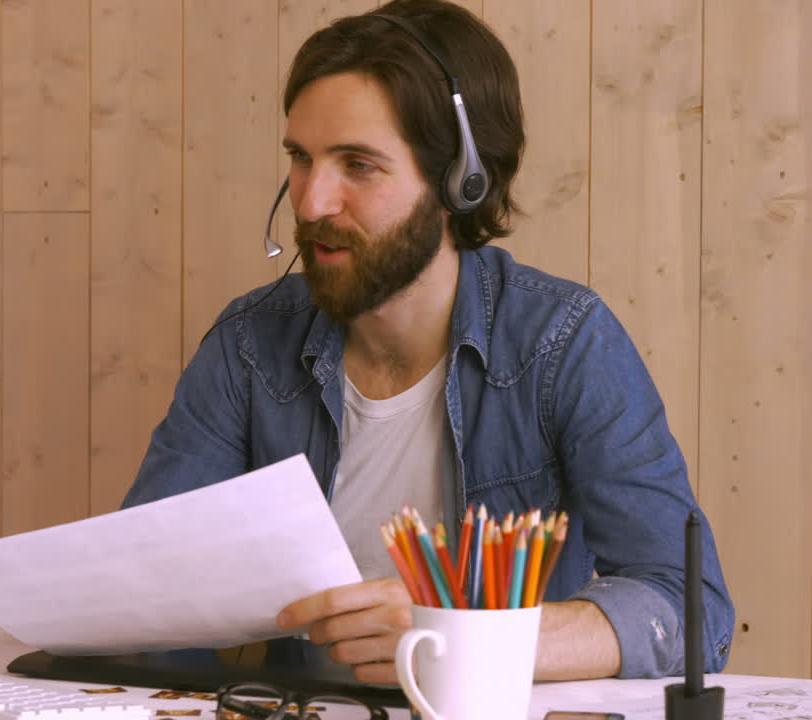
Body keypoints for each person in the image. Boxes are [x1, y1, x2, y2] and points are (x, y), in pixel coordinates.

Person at [122, 0, 733, 683]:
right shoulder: (248, 346)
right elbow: (142, 595)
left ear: (460, 184)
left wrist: (462, 640)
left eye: (358, 164)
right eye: (301, 157)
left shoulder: (562, 343)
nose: (312, 201)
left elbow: (688, 611)